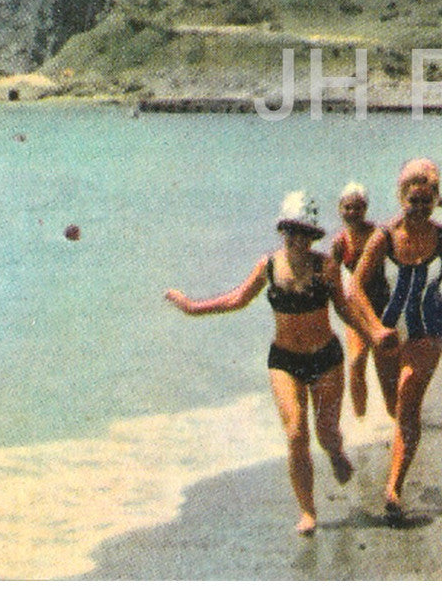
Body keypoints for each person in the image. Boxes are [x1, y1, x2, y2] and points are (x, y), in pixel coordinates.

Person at [165, 191, 395, 535]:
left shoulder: (326, 268)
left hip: (325, 357)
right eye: (291, 231)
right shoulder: (269, 265)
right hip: (284, 360)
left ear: (313, 235)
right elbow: (237, 299)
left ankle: (334, 453)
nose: (297, 239)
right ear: (283, 231)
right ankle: (308, 511)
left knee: (327, 434)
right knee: (295, 433)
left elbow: (346, 309)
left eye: (304, 232)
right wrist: (192, 307)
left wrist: (374, 334)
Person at [351, 159, 442, 515]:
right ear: (400, 197)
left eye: (426, 201)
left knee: (408, 399)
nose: (419, 208)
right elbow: (354, 287)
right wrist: (374, 328)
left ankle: (393, 489)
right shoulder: (383, 237)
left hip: (428, 330)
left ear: (436, 200)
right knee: (395, 407)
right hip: (388, 330)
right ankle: (404, 447)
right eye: (412, 201)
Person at [329, 182, 390, 418]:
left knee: (385, 364)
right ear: (340, 209)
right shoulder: (340, 243)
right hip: (356, 310)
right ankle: (361, 418)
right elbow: (331, 279)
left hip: (382, 305)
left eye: (357, 207)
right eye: (347, 207)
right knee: (355, 362)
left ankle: (394, 414)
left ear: (365, 208)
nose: (352, 213)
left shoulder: (378, 235)